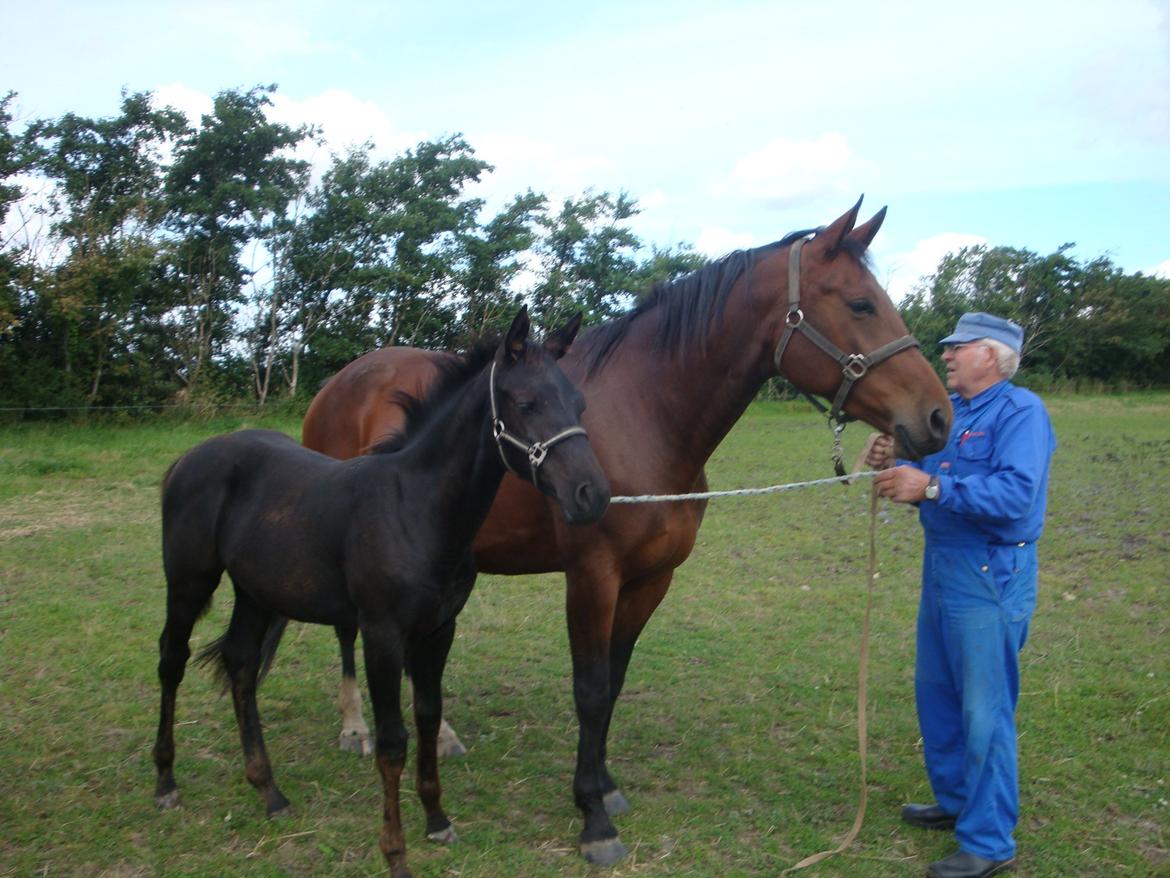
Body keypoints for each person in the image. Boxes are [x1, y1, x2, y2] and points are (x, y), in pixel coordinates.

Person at [868, 312, 1056, 878]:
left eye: (958, 348)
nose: (945, 355)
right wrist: (896, 464)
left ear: (992, 356)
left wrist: (928, 485)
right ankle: (955, 801)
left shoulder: (1022, 412)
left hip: (990, 571)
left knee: (984, 710)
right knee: (938, 695)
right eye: (947, 348)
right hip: (944, 567)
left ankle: (990, 841)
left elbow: (1016, 494)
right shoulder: (955, 414)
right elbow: (928, 471)